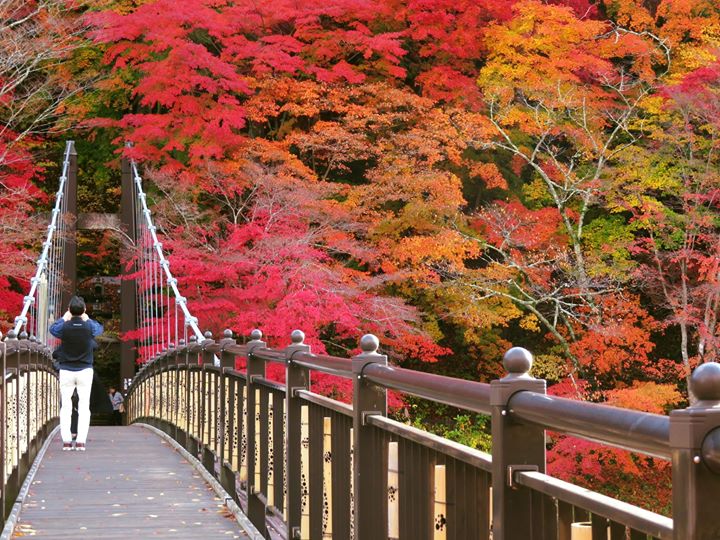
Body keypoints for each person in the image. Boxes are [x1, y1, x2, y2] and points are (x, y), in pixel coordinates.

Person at [50, 296, 103, 451]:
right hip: (85, 370)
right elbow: (99, 328)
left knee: (66, 406)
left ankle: (67, 441)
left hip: (66, 369)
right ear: (84, 310)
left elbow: (53, 329)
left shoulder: (64, 327)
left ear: (69, 310)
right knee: (84, 406)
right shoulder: (89, 328)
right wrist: (86, 318)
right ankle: (81, 442)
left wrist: (64, 317)